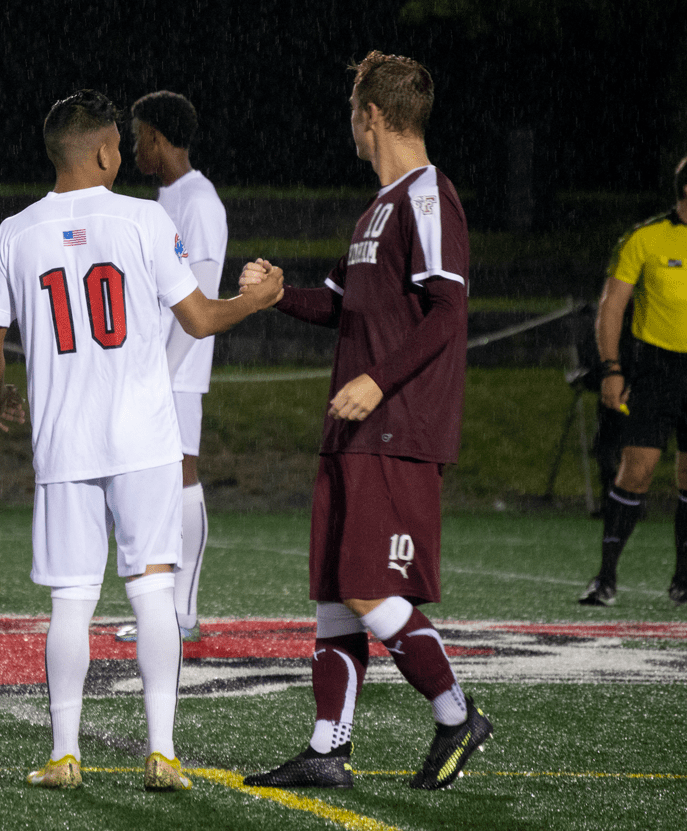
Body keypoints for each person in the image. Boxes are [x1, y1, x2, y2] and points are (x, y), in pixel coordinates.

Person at [0, 89, 282, 792]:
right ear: (106, 151)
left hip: (64, 442)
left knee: (72, 599)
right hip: (143, 438)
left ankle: (64, 754)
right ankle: (162, 752)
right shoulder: (145, 218)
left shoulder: (15, 231)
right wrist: (256, 301)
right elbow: (199, 319)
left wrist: (0, 397)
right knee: (152, 590)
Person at [240, 52, 492, 791]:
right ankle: (328, 748)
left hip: (396, 428)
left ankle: (456, 715)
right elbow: (339, 303)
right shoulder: (377, 206)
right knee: (335, 595)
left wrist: (379, 382)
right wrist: (278, 296)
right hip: (355, 431)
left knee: (365, 588)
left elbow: (448, 311)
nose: (349, 123)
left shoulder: (427, 196)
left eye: (352, 111)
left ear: (371, 115)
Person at [114, 90, 228, 645]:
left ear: (158, 138)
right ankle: (164, 611)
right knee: (155, 483)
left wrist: (161, 370)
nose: (135, 147)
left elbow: (200, 296)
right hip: (154, 367)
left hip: (174, 371)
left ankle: (182, 613)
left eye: (139, 137)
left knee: (181, 475)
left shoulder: (199, 201)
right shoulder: (165, 201)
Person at [578, 154, 687, 607]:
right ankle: (605, 578)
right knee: (636, 471)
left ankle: (683, 581)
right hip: (657, 371)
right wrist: (611, 368)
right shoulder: (645, 238)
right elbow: (611, 307)